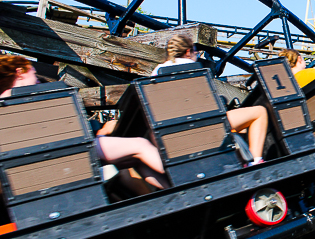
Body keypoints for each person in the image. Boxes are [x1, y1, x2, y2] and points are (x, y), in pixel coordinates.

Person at [0, 55, 170, 192]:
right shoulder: (31, 97)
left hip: (44, 165)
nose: (37, 79)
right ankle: (186, 182)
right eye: (33, 73)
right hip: (71, 153)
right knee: (141, 145)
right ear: (20, 71)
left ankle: (173, 190)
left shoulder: (4, 102)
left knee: (131, 159)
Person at [152, 34, 269, 165]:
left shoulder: (156, 73)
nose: (197, 53)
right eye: (195, 50)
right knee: (259, 112)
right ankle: (255, 162)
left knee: (240, 129)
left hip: (172, 135)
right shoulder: (194, 68)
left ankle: (239, 162)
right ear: (187, 52)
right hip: (205, 128)